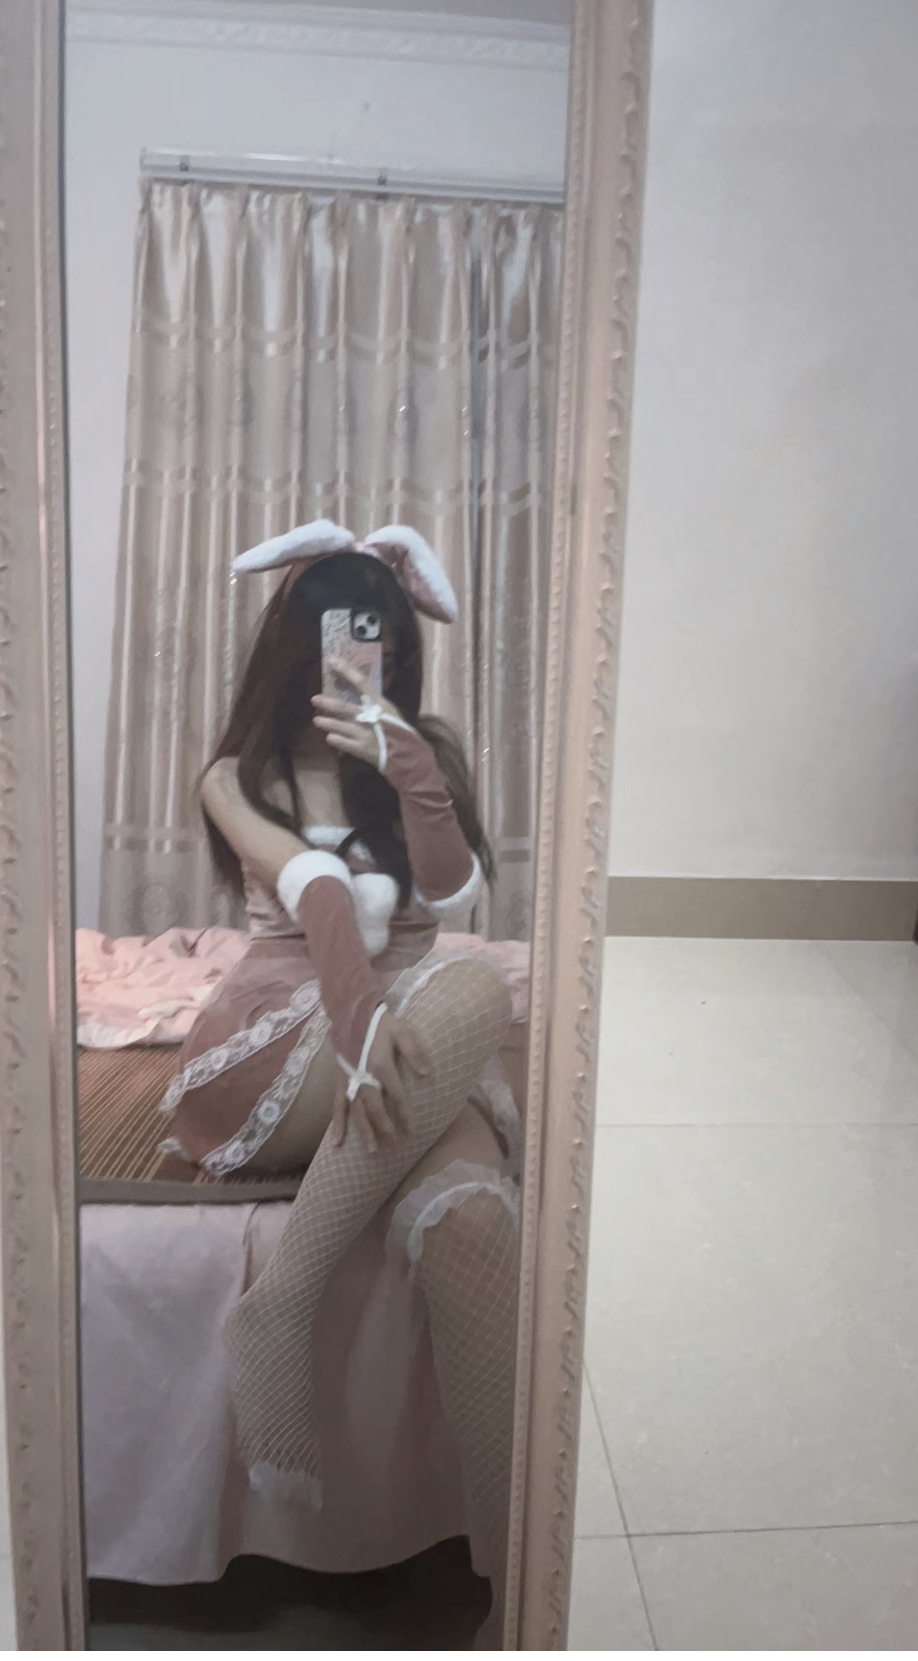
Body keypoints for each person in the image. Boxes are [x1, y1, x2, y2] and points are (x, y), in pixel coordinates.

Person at [160, 520, 521, 1646]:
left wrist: (412, 770)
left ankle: (517, 1587)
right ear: (298, 643)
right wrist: (358, 1021)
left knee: (475, 1223)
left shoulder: (424, 745)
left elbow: (453, 893)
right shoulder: (237, 772)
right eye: (345, 637)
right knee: (476, 994)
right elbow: (315, 886)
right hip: (286, 1038)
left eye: (385, 644)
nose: (365, 660)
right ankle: (283, 1303)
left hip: (409, 1033)